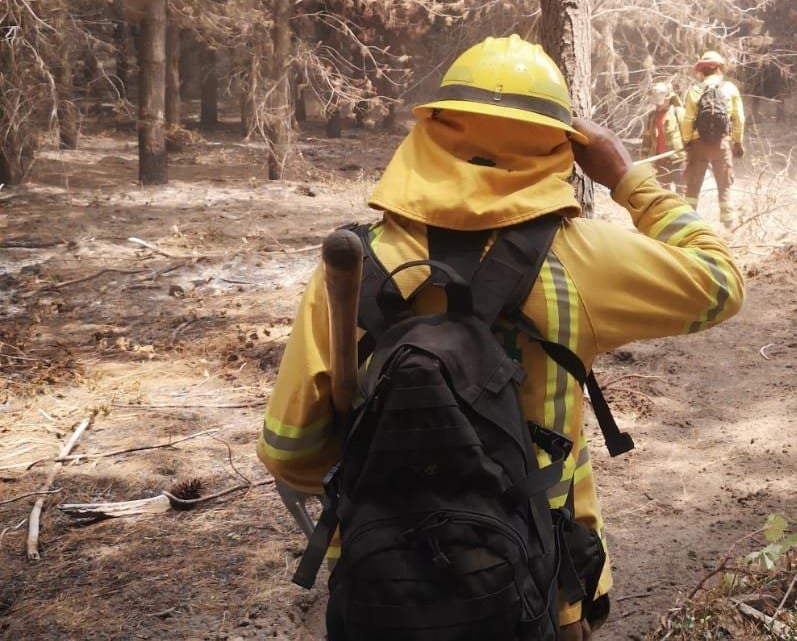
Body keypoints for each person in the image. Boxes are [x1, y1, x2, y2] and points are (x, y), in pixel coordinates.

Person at [257, 35, 745, 640]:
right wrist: (624, 176)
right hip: (541, 590)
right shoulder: (583, 260)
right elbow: (721, 282)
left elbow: (290, 453)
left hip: (381, 596)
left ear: (431, 133)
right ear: (562, 147)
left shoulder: (351, 266)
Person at [680, 50, 745, 228]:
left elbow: (688, 120)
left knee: (693, 188)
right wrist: (737, 141)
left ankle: (688, 225)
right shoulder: (730, 89)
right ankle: (729, 225)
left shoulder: (694, 90)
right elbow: (739, 117)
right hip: (722, 143)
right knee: (724, 186)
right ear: (719, 69)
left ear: (702, 70)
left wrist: (687, 141)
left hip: (698, 144)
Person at [640, 81, 685, 190]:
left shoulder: (678, 113)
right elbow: (647, 139)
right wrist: (644, 156)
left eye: (659, 102)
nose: (657, 105)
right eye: (655, 102)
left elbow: (688, 136)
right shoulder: (652, 117)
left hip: (678, 160)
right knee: (663, 193)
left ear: (668, 98)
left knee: (681, 191)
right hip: (660, 161)